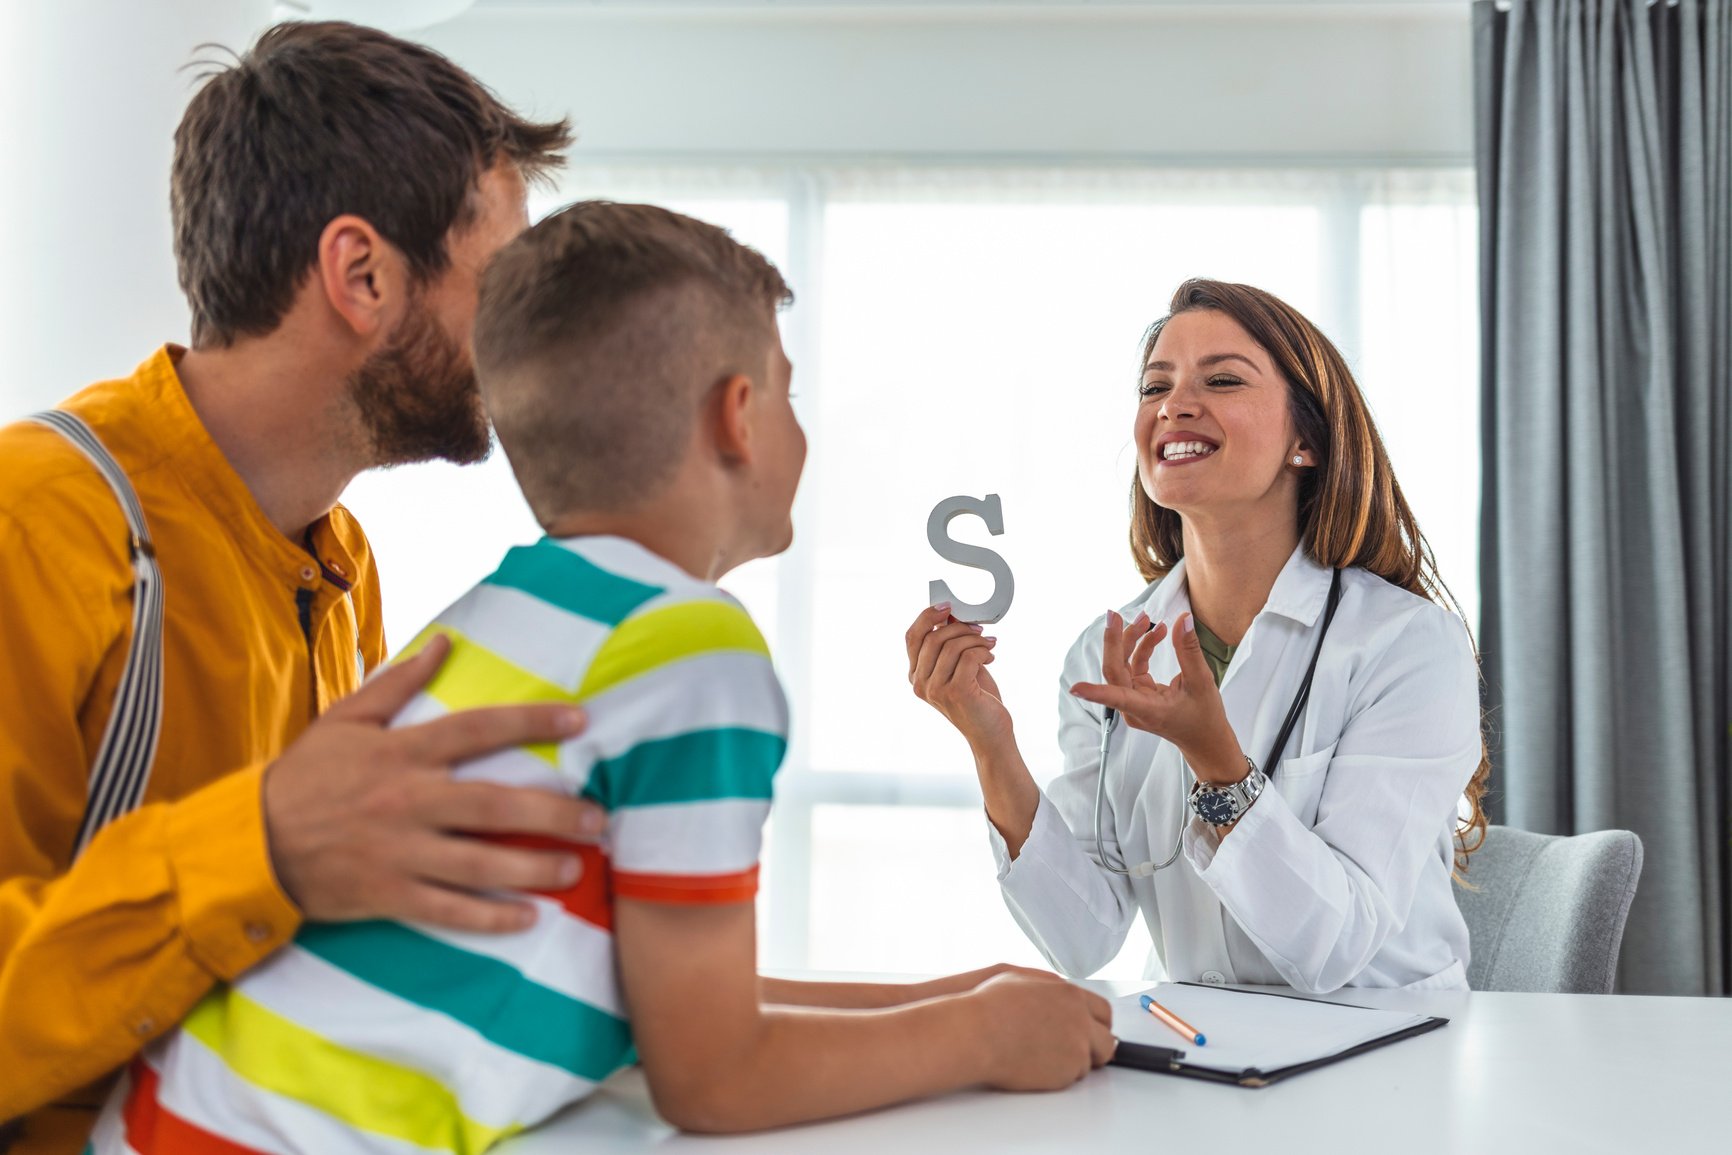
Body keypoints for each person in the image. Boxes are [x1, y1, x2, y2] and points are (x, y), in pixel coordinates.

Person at [88, 201, 1118, 1152]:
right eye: (791, 395)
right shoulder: (692, 649)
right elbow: (712, 1076)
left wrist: (959, 994)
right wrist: (980, 1039)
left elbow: (667, 997)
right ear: (738, 416)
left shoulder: (505, 616)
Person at [0, 24, 614, 1155]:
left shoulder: (338, 558)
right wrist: (266, 844)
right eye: (508, 281)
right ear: (363, 276)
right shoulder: (34, 522)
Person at [907, 279, 1490, 994]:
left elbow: (1337, 946)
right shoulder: (1104, 652)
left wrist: (1219, 765)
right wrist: (990, 743)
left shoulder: (1406, 646)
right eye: (1155, 386)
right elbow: (1083, 937)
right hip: (1201, 1050)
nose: (1174, 405)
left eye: (1221, 379)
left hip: (1382, 1053)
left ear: (1305, 439)